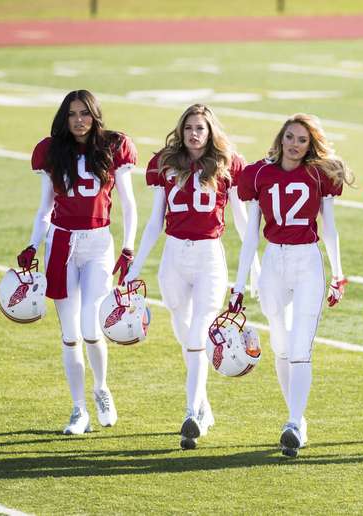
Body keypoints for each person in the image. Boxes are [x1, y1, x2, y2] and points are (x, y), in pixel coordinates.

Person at [123, 104, 259, 450]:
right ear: (181, 132)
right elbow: (156, 220)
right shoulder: (165, 163)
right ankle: (202, 403)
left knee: (199, 333)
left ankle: (190, 415)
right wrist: (135, 267)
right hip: (174, 255)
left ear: (210, 131)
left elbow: (242, 220)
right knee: (185, 334)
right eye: (189, 128)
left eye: (200, 128)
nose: (194, 134)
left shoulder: (228, 163)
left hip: (209, 256)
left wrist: (253, 263)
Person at [228, 113, 352, 458]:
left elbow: (329, 228)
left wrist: (338, 272)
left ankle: (294, 422)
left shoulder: (318, 174)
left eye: (303, 140)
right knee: (280, 344)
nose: (295, 145)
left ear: (311, 145)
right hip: (273, 262)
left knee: (300, 348)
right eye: (291, 137)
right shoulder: (258, 174)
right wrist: (238, 284)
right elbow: (250, 236)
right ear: (280, 138)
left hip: (307, 261)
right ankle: (294, 417)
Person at [17, 89, 138, 435]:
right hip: (62, 242)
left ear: (95, 114)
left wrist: (127, 247)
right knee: (70, 334)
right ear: (64, 117)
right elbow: (44, 208)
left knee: (91, 326)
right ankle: (78, 409)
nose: (79, 120)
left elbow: (128, 204)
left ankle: (101, 389)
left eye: (84, 113)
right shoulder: (51, 150)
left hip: (99, 244)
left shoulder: (114, 146)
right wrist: (32, 244)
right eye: (72, 114)